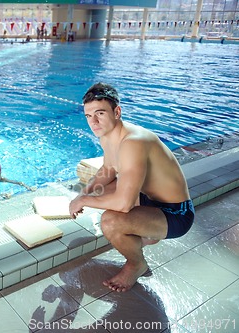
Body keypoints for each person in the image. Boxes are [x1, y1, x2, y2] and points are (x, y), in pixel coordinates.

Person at [68, 82, 194, 292]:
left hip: (175, 214)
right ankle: (145, 233)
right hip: (149, 200)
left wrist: (83, 200)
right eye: (89, 116)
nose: (94, 122)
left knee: (110, 221)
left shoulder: (133, 142)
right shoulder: (108, 135)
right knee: (103, 189)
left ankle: (136, 264)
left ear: (117, 112)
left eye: (100, 113)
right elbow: (108, 170)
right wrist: (84, 193)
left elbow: (124, 204)